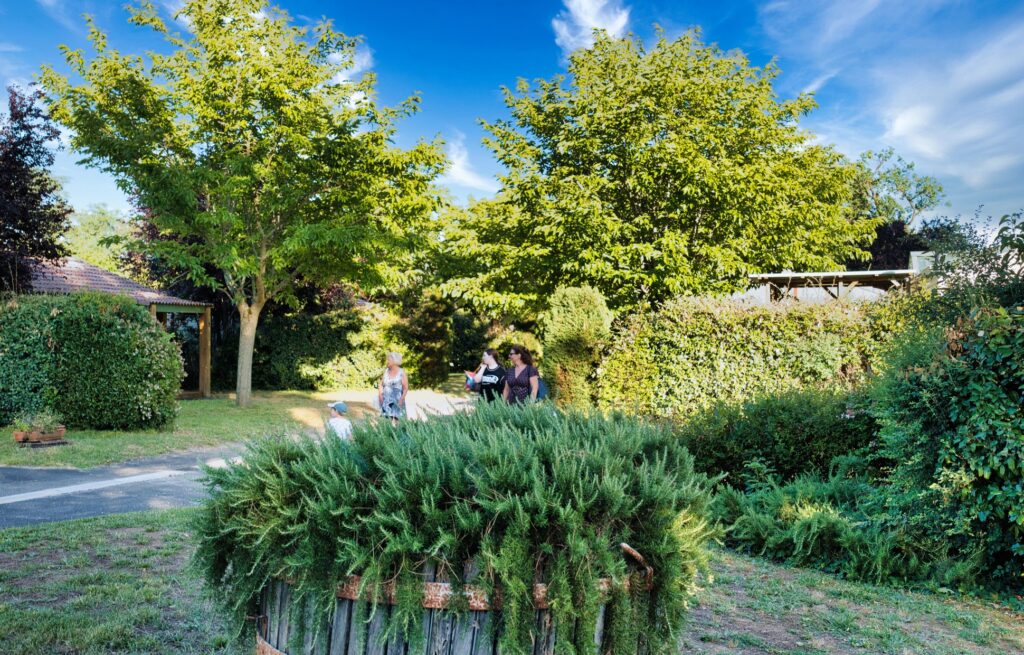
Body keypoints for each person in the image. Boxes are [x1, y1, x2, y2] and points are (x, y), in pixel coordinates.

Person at [378, 351, 408, 425]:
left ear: (395, 361)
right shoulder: (386, 371)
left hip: (398, 402)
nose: (387, 361)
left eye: (389, 360)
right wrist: (380, 396)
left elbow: (405, 388)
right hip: (386, 401)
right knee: (386, 424)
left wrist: (402, 399)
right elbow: (380, 385)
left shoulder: (401, 372)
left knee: (398, 424)